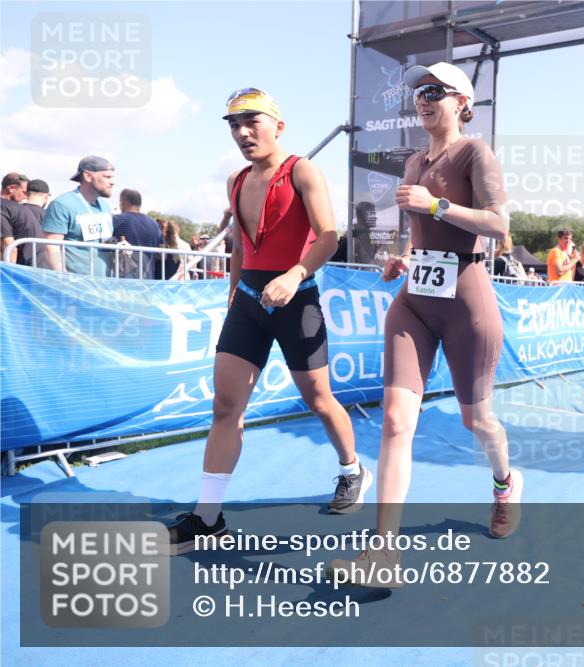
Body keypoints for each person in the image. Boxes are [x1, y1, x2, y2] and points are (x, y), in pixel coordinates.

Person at [329, 62, 518, 586]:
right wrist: (404, 256)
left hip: (467, 299)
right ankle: (383, 554)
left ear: (462, 102)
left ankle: (504, 483)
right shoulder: (413, 161)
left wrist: (437, 202)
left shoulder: (475, 153)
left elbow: (499, 224)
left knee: (476, 421)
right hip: (415, 300)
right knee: (394, 420)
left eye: (436, 91)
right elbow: (421, 231)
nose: (424, 98)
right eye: (419, 92)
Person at [167, 88, 364, 554]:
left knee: (318, 398)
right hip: (250, 302)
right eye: (234, 125)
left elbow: (330, 238)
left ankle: (351, 468)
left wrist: (296, 274)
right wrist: (233, 289)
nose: (242, 132)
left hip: (296, 300)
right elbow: (240, 241)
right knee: (225, 406)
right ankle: (209, 517)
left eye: (252, 122)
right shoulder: (235, 180)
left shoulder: (303, 171)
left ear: (278, 125)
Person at [42, 156, 116, 275]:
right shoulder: (62, 204)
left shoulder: (105, 206)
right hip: (75, 286)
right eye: (107, 177)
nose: (112, 182)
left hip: (104, 286)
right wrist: (64, 278)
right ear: (87, 176)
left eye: (112, 177)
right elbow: (51, 246)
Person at [112, 188, 163, 279]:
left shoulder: (117, 220)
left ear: (123, 200)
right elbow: (161, 252)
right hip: (147, 279)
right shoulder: (154, 224)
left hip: (123, 279)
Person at [1, 173, 33, 264]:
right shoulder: (22, 208)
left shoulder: (3, 208)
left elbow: (9, 246)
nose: (25, 196)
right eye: (24, 192)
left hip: (21, 267)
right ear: (11, 188)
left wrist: (9, 276)